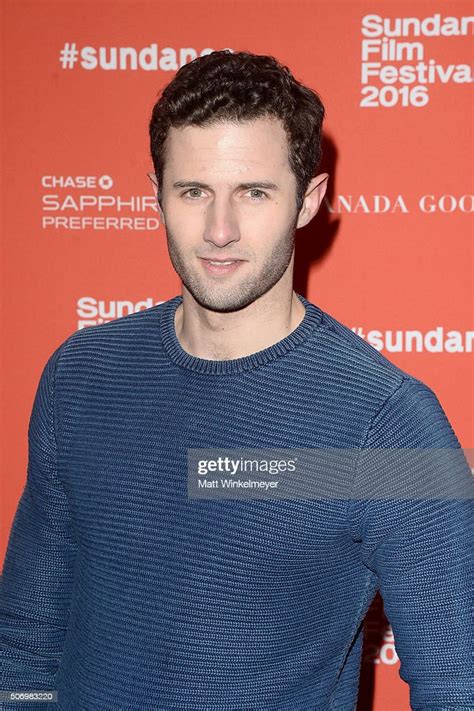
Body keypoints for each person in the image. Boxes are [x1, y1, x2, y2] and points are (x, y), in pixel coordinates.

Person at [0, 50, 472, 711]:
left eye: (254, 192)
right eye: (194, 192)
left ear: (309, 201)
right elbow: (26, 637)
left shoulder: (387, 421)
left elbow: (457, 684)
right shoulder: (80, 376)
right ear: (156, 194)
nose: (220, 231)